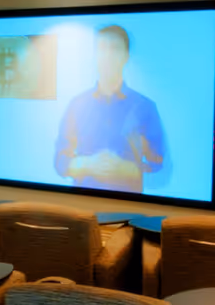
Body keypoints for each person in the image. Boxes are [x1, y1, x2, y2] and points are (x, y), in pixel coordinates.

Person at [53, 24, 167, 193]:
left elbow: (158, 165)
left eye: (115, 49)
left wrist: (126, 168)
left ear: (126, 56)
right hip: (82, 206)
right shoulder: (77, 104)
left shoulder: (145, 107)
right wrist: (87, 164)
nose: (107, 55)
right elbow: (60, 162)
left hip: (131, 209)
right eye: (102, 48)